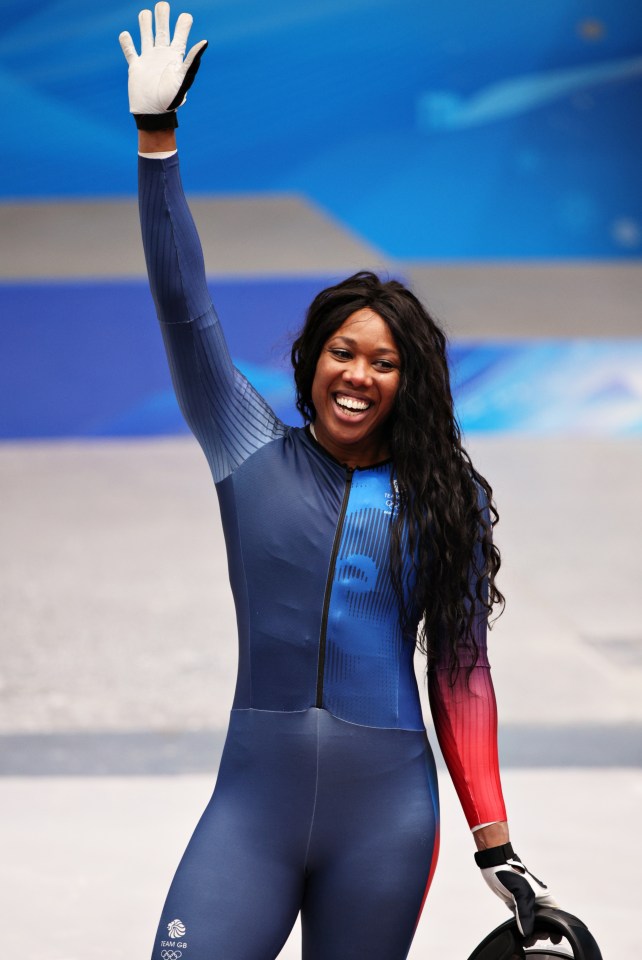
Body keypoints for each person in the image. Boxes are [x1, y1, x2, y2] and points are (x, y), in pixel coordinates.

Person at [119, 5, 557, 959]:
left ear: (413, 384)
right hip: (253, 808)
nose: (359, 375)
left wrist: (497, 842)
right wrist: (159, 142)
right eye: (343, 353)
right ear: (312, 360)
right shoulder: (245, 446)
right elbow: (183, 306)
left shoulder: (449, 501)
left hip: (386, 818)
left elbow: (460, 670)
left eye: (384, 363)